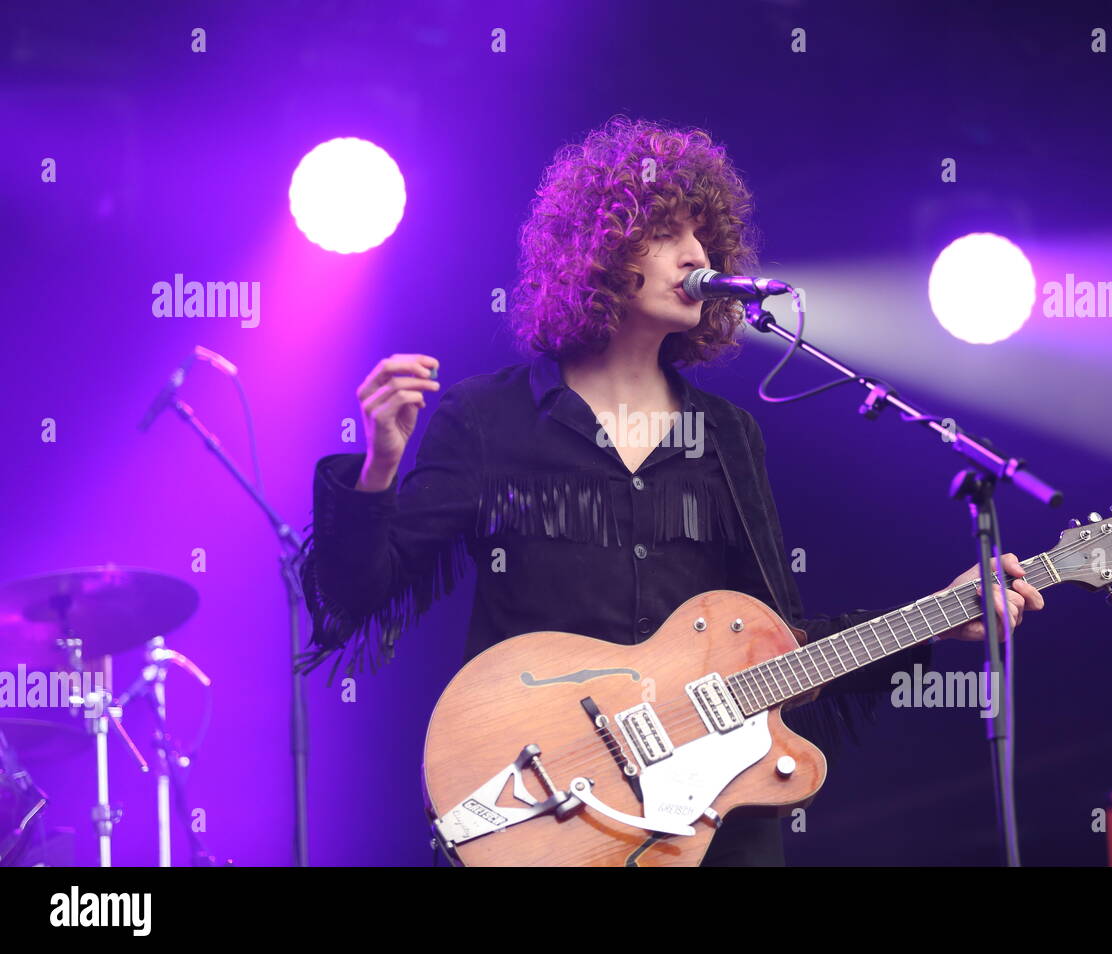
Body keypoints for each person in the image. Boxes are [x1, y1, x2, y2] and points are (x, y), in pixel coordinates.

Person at [296, 115, 1045, 866]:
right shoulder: (489, 420)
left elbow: (779, 646)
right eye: (668, 235)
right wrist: (380, 465)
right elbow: (353, 595)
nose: (698, 257)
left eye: (705, 240)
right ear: (598, 250)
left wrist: (938, 621)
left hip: (705, 829)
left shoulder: (726, 435)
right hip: (542, 803)